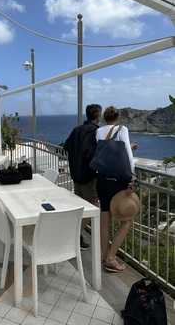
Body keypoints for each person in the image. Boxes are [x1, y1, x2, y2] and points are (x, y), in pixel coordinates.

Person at [96, 106, 135, 273]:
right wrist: (132, 175)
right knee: (126, 220)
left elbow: (106, 151)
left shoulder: (98, 131)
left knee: (104, 221)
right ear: (117, 117)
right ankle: (111, 258)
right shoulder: (122, 129)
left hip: (102, 180)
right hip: (118, 182)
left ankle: (103, 257)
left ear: (105, 118)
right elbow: (125, 150)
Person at [64, 104, 102, 250]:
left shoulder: (77, 129)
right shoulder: (95, 132)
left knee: (80, 208)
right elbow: (91, 154)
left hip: (76, 175)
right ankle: (73, 236)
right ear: (98, 115)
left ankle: (76, 236)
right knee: (92, 208)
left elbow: (66, 146)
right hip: (89, 178)